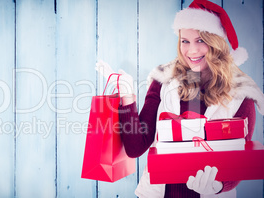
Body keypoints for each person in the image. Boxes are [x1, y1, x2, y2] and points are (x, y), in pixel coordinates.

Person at [96, 0, 264, 197]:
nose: (191, 51)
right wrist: (126, 96)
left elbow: (239, 160)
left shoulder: (240, 92)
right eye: (185, 41)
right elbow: (136, 146)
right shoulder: (164, 79)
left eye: (200, 40)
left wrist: (218, 186)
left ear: (216, 42)